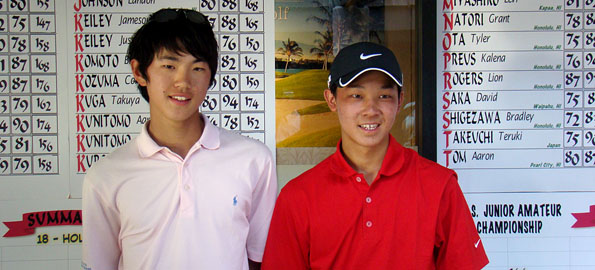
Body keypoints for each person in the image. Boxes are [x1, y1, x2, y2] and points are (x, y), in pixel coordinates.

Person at [261, 42, 488, 269]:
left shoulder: (440, 186)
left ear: (400, 101)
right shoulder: (297, 197)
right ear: (331, 99)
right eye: (357, 95)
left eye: (384, 96)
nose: (371, 109)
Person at [82, 8, 277, 270]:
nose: (182, 82)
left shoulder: (254, 160)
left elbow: (259, 258)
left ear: (210, 77)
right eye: (169, 66)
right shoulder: (105, 176)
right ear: (139, 72)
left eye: (197, 68)